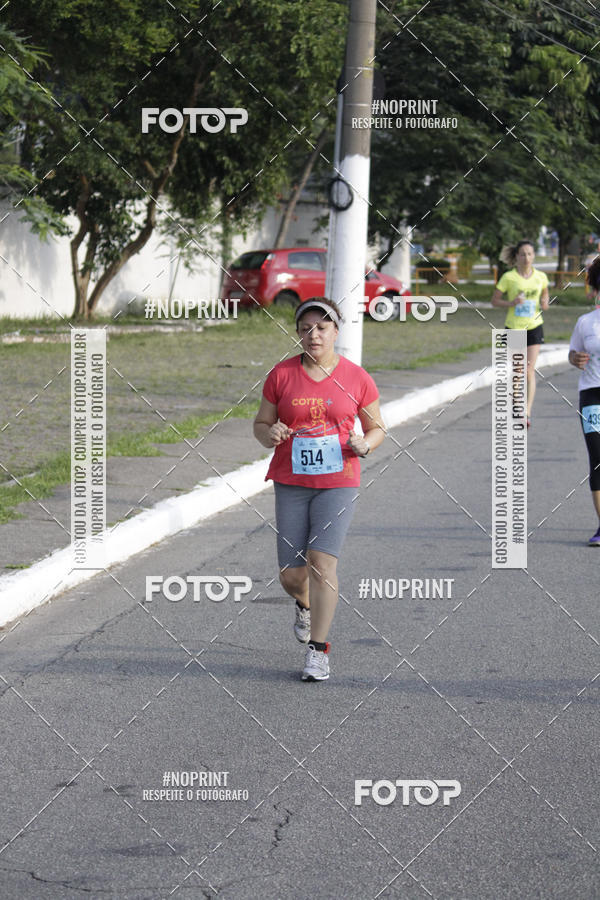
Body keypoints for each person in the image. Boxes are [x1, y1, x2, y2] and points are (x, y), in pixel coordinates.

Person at [253, 297, 386, 681]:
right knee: (292, 576)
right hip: (291, 480)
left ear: (335, 332)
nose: (314, 334)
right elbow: (261, 424)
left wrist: (367, 443)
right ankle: (304, 605)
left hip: (339, 480)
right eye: (306, 328)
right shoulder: (281, 375)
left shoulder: (357, 377)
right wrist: (271, 432)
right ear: (297, 333)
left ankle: (318, 651)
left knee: (322, 564)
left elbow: (378, 427)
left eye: (322, 327)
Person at [491, 240, 550, 427]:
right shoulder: (509, 278)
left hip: (534, 327)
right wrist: (511, 303)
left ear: (534, 256)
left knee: (529, 371)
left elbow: (545, 293)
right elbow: (494, 301)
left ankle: (527, 411)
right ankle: (516, 403)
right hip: (514, 328)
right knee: (517, 371)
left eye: (530, 254)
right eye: (523, 254)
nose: (526, 258)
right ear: (517, 257)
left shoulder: (541, 276)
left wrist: (545, 302)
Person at [568, 257, 600, 545]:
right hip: (591, 394)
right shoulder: (585, 323)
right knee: (597, 458)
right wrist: (575, 359)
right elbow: (573, 353)